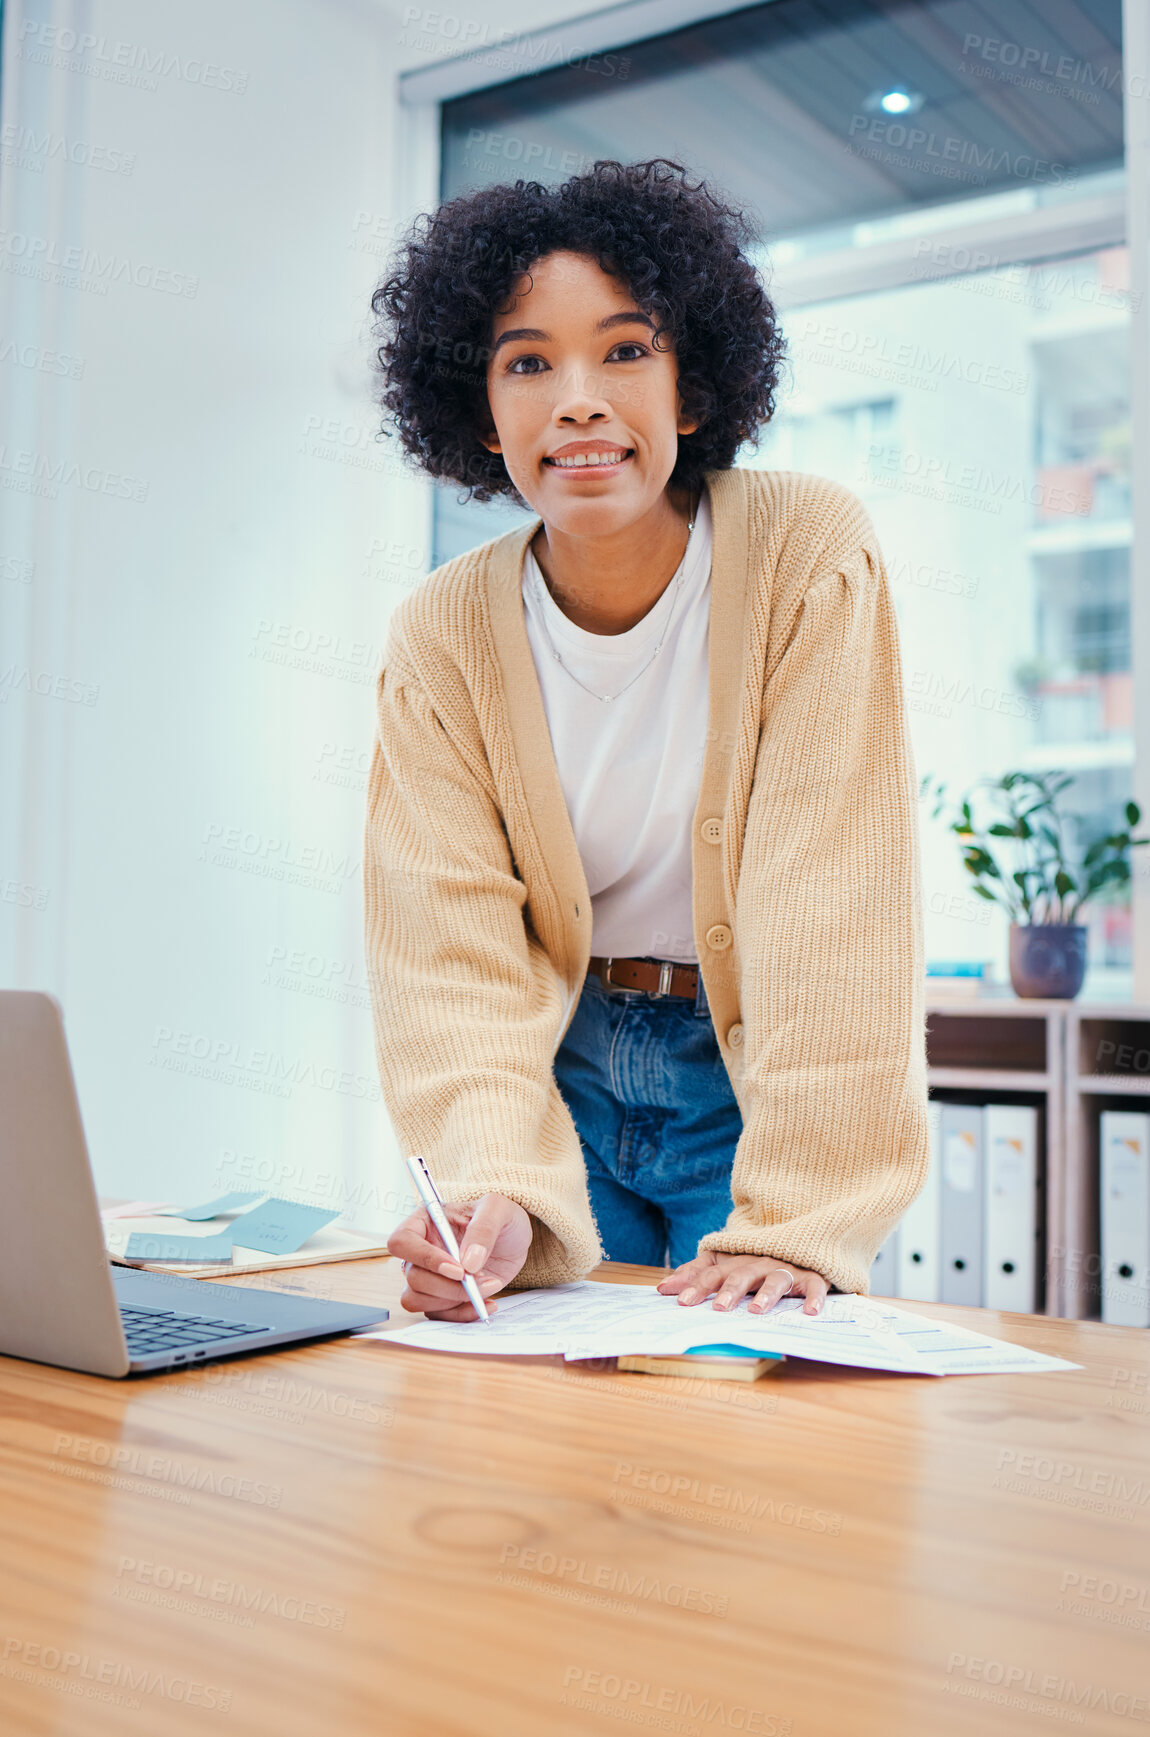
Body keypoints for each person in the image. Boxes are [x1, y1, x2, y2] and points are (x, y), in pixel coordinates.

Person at [366, 159, 928, 1323]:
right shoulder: (441, 633)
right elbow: (449, 953)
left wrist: (804, 1215)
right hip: (555, 1082)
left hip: (750, 1079)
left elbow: (831, 899)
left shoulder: (804, 553)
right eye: (527, 362)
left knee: (752, 1437)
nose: (576, 399)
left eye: (624, 351)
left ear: (692, 390)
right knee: (549, 1439)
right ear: (480, 411)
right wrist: (491, 1186)